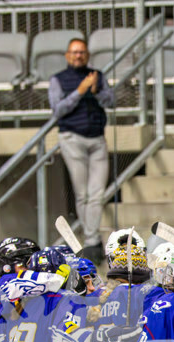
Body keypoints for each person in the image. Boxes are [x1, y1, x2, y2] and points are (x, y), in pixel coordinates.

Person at [49, 38, 114, 264]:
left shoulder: (97, 75)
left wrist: (94, 90)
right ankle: (92, 242)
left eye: (82, 52)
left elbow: (111, 100)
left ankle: (92, 241)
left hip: (97, 138)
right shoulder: (58, 79)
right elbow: (58, 110)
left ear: (87, 55)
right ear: (67, 55)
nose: (78, 56)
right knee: (82, 193)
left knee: (97, 194)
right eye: (74, 52)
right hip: (72, 138)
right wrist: (80, 91)